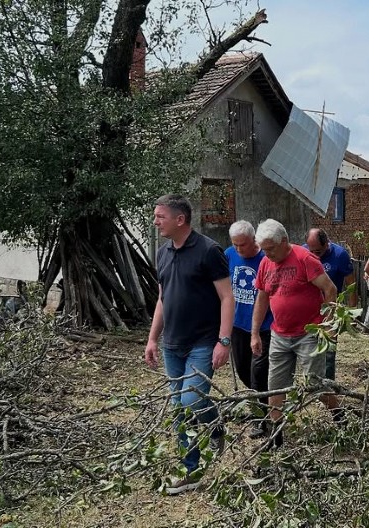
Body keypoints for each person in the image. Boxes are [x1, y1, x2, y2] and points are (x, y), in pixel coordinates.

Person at [144, 194, 234, 496]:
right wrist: (153, 338)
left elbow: (227, 297)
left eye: (160, 217)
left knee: (191, 402)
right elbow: (162, 298)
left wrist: (224, 340)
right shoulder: (162, 253)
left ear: (180, 219)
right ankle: (191, 469)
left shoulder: (209, 251)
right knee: (179, 410)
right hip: (173, 344)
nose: (156, 222)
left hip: (204, 342)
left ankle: (212, 423)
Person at [250, 219, 340, 448]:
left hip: (308, 333)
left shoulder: (305, 258)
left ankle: (341, 420)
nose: (267, 253)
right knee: (276, 387)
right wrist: (254, 333)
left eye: (271, 248)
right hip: (280, 335)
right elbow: (262, 299)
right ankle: (276, 437)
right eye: (264, 249)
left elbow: (330, 289)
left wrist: (328, 324)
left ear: (284, 241)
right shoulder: (265, 264)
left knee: (315, 385)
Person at [225, 220, 272, 439]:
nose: (238, 249)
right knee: (244, 370)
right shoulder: (229, 255)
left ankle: (260, 420)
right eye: (234, 244)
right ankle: (266, 402)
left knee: (258, 374)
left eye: (242, 245)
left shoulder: (266, 259)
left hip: (264, 326)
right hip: (238, 325)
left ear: (254, 240)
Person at [304, 228, 355, 380]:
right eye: (310, 250)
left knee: (328, 348)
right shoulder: (303, 252)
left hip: (330, 307)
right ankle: (311, 380)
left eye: (317, 251)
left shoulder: (340, 255)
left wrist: (351, 313)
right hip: (308, 309)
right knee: (308, 347)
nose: (313, 255)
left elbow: (351, 284)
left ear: (327, 244)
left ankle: (327, 384)